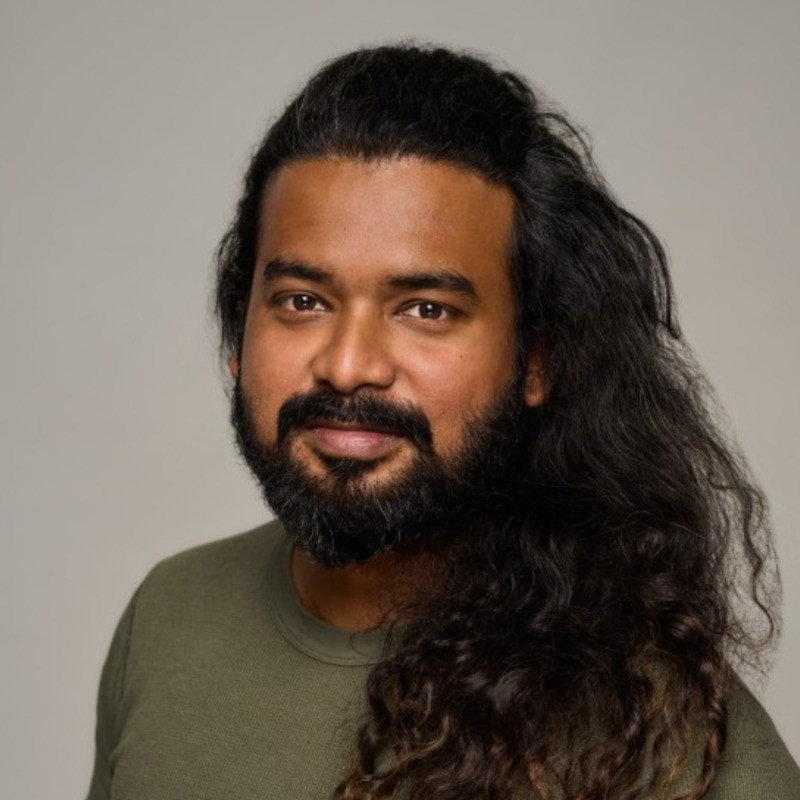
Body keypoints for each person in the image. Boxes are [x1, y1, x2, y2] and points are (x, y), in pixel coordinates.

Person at [86, 44, 800, 800]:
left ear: (535, 361)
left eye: (426, 310)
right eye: (302, 301)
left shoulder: (655, 729)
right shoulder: (166, 616)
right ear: (238, 331)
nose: (348, 365)